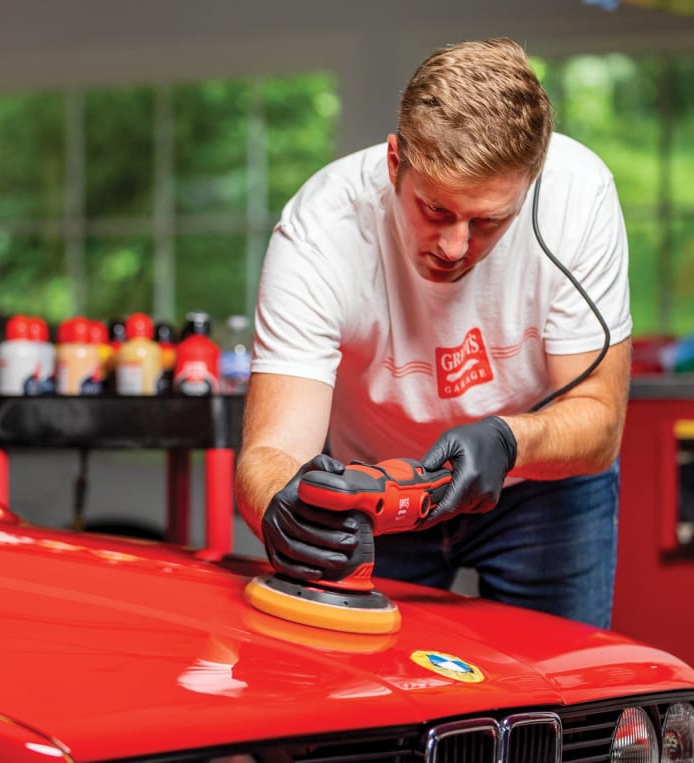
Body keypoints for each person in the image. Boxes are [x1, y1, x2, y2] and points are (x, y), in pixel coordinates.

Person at [234, 37, 631, 630]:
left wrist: (507, 441)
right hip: (375, 490)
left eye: (489, 221)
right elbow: (270, 452)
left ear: (531, 182)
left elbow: (600, 421)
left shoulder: (580, 197)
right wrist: (285, 512)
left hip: (540, 488)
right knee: (370, 705)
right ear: (396, 163)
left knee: (559, 699)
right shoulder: (320, 229)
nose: (453, 247)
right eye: (436, 210)